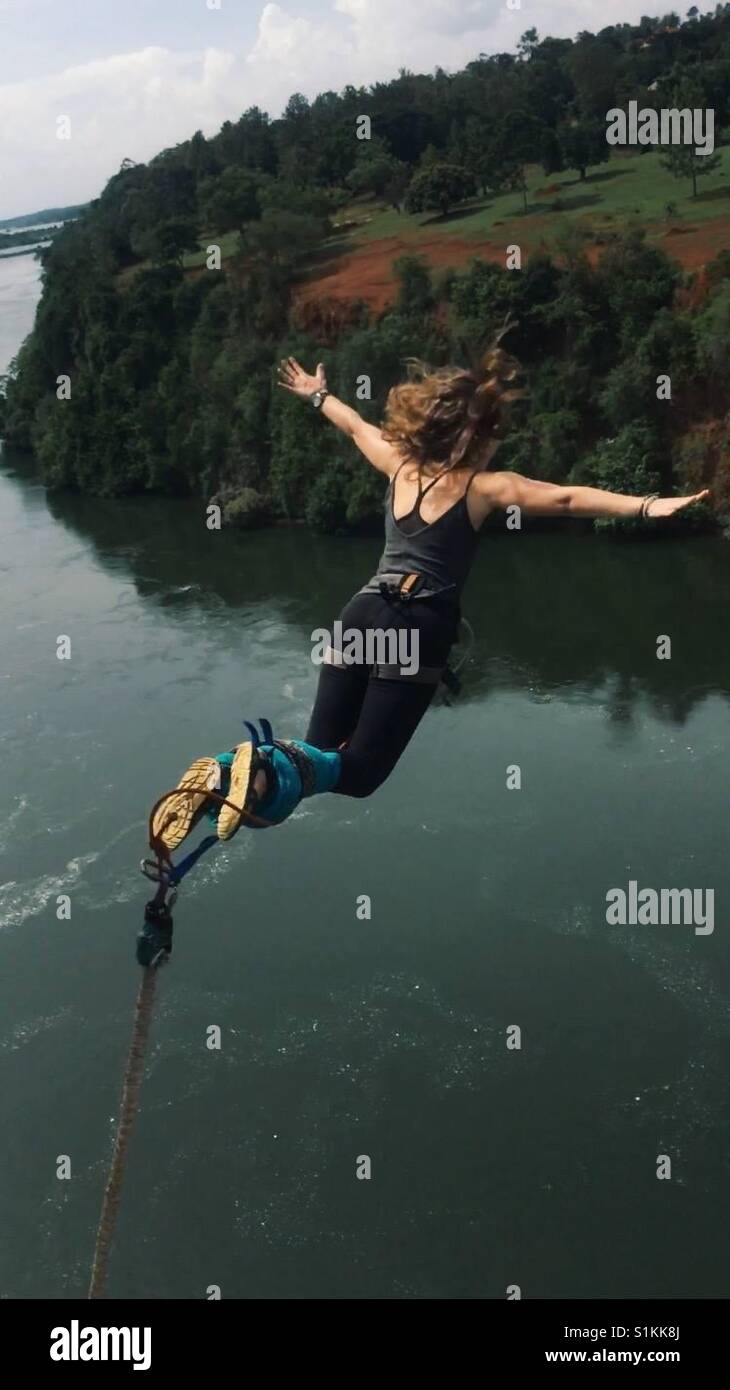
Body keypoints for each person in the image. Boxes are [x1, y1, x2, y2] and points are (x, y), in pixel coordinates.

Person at [153, 343, 709, 852]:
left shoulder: (399, 463)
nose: (496, 443)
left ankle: (234, 773)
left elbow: (354, 426)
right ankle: (260, 773)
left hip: (360, 614)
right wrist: (645, 505)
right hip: (416, 627)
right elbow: (563, 499)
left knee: (321, 753)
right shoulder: (482, 487)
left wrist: (317, 393)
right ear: (475, 435)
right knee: (361, 774)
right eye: (492, 432)